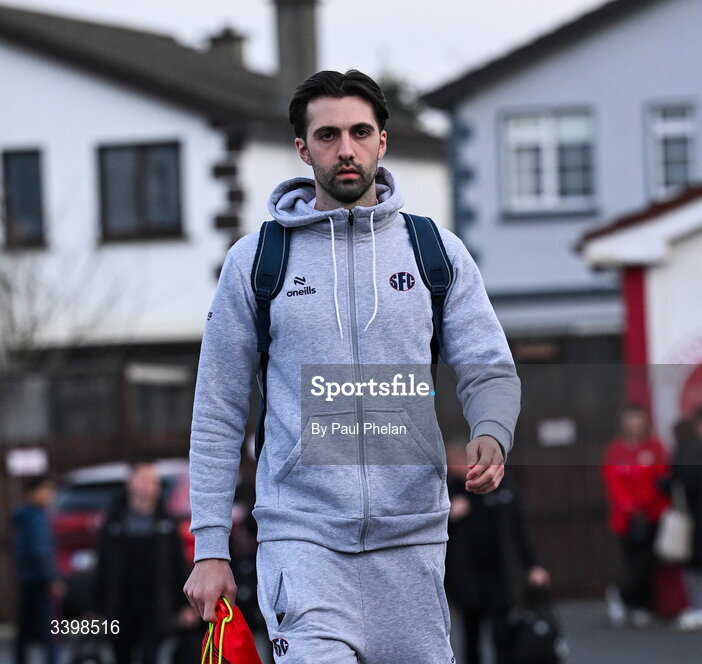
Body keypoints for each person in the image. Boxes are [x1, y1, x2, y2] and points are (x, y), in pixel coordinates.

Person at [184, 68, 521, 664]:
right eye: (328, 135)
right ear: (302, 148)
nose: (346, 149)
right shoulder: (256, 263)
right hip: (301, 541)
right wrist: (209, 547)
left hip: (412, 542)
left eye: (360, 132)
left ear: (382, 141)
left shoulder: (435, 252)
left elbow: (488, 367)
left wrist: (492, 431)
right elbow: (217, 411)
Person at [444, 442, 550, 664]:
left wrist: (533, 564)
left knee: (504, 636)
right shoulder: (449, 492)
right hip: (468, 579)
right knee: (470, 637)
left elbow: (519, 530)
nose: (454, 467)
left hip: (501, 576)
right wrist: (448, 517)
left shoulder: (502, 486)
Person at [94, 462, 197, 664]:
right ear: (129, 483)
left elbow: (178, 564)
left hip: (155, 606)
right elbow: (103, 566)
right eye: (143, 480)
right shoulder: (114, 522)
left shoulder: (166, 522)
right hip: (120, 605)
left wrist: (185, 604)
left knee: (152, 654)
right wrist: (96, 607)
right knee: (121, 654)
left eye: (153, 482)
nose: (148, 487)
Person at [601, 403, 669, 626]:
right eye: (631, 421)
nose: (635, 426)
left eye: (639, 421)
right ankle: (626, 598)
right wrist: (629, 506)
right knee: (634, 563)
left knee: (649, 563)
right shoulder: (616, 451)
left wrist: (644, 502)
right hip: (626, 519)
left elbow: (661, 477)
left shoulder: (655, 447)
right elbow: (614, 483)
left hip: (652, 514)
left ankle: (641, 604)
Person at [12, 474, 62, 664]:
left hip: (29, 578)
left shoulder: (26, 516)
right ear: (33, 493)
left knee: (26, 629)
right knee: (50, 630)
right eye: (46, 490)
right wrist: (50, 578)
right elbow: (40, 549)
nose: (50, 495)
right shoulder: (36, 517)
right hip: (40, 580)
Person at [670, 407, 702, 630]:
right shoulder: (689, 448)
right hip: (694, 517)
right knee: (694, 563)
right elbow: (684, 480)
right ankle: (698, 606)